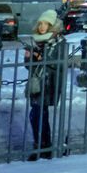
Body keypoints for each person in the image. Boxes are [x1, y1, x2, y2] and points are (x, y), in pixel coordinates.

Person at [24, 9, 66, 161]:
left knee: (39, 115)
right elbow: (29, 66)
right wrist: (30, 58)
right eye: (40, 23)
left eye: (46, 24)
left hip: (48, 84)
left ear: (53, 26)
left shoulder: (60, 42)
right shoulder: (38, 41)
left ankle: (44, 148)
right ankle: (41, 146)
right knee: (35, 116)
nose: (42, 27)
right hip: (37, 84)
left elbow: (59, 64)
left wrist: (42, 57)